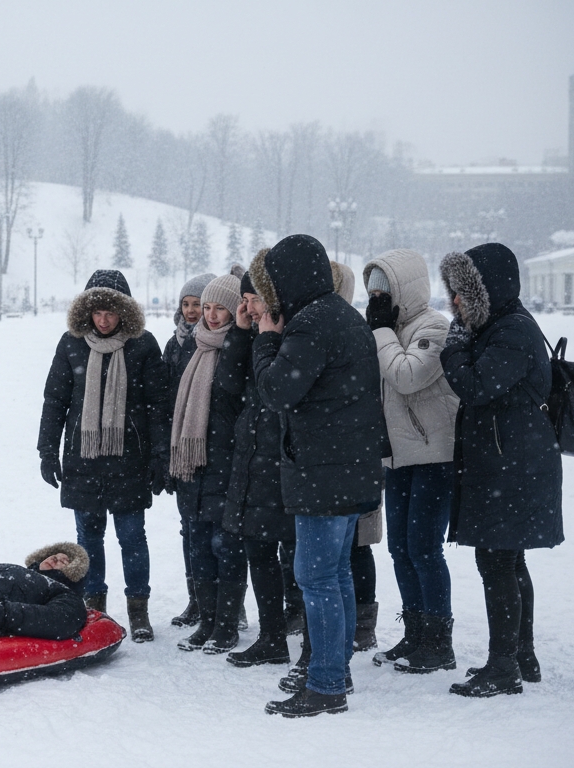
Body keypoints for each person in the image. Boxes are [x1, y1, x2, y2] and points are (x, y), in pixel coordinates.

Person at [249, 235, 386, 718]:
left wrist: (266, 338)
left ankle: (326, 684)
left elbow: (277, 390)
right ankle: (336, 670)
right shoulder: (342, 315)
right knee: (337, 574)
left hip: (324, 472)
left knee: (317, 577)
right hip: (351, 467)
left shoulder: (310, 324)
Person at [439, 243, 562, 698]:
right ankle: (520, 656)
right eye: (452, 292)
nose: (453, 302)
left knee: (497, 562)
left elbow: (475, 386)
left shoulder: (511, 331)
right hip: (511, 461)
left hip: (513, 466)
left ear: (486, 290)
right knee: (508, 561)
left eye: (461, 293)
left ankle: (504, 665)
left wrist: (453, 348)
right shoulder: (502, 326)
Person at [38, 269, 168, 642]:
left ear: (125, 311)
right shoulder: (71, 344)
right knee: (89, 537)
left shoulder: (143, 345)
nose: (105, 319)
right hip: (84, 458)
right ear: (87, 312)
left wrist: (160, 456)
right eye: (98, 312)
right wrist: (47, 451)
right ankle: (95, 609)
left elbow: (158, 406)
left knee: (132, 536)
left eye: (112, 312)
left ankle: (138, 610)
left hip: (130, 459)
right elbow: (55, 401)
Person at [361, 249, 460, 674]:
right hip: (398, 456)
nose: (377, 298)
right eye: (372, 291)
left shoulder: (435, 327)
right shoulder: (385, 330)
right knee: (400, 548)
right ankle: (416, 631)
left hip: (434, 455)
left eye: (385, 289)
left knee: (424, 548)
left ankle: (439, 642)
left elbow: (405, 376)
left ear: (407, 288)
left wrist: (381, 331)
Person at [167, 271, 247, 654]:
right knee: (198, 544)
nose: (211, 316)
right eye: (208, 308)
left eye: (219, 309)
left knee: (225, 547)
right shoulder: (197, 345)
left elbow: (237, 400)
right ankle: (208, 620)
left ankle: (227, 625)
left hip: (227, 461)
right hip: (194, 464)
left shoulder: (238, 348)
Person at [222, 262, 296, 668]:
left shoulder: (291, 334)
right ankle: (272, 637)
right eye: (244, 300)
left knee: (295, 555)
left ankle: (294, 628)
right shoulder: (253, 334)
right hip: (253, 456)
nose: (247, 307)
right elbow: (229, 384)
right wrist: (239, 332)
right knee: (260, 549)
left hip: (282, 457)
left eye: (251, 299)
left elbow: (278, 392)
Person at [332, 261, 385, 654]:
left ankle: (361, 624)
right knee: (347, 547)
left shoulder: (354, 329)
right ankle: (352, 622)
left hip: (356, 453)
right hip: (352, 455)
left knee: (356, 546)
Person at [163, 271, 215, 628]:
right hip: (182, 449)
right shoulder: (175, 344)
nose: (193, 310)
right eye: (187, 303)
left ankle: (225, 605)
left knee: (217, 534)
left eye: (199, 304)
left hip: (212, 449)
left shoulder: (216, 343)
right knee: (189, 529)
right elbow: (165, 399)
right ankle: (196, 600)